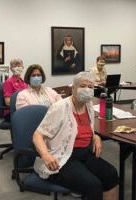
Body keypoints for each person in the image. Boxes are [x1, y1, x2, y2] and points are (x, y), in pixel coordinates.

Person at [32, 72, 118, 200]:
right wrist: (46, 155)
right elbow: (37, 135)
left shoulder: (88, 104)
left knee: (111, 174)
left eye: (90, 87)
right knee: (93, 185)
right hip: (62, 157)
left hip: (84, 152)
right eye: (83, 86)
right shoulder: (60, 107)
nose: (87, 90)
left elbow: (85, 128)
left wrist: (95, 136)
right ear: (73, 88)